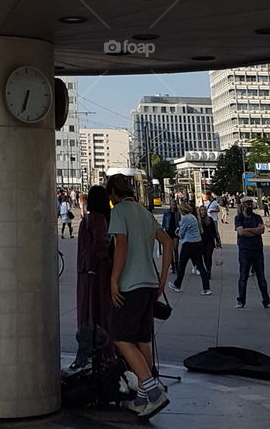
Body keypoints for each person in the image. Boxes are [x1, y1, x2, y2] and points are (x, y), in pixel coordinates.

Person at [106, 172, 173, 419]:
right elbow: (167, 242)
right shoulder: (145, 213)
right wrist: (163, 277)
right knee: (141, 338)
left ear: (113, 194)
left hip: (130, 285)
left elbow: (121, 245)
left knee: (121, 337)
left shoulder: (118, 212)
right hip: (149, 285)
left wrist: (114, 280)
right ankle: (143, 397)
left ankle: (152, 391)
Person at [76, 185, 112, 342]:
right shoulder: (99, 219)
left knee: (87, 309)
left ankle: (88, 345)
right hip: (98, 271)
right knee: (100, 310)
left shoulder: (86, 220)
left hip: (85, 269)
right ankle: (103, 350)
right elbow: (100, 244)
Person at [235, 198, 270, 310]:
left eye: (251, 203)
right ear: (243, 205)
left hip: (257, 250)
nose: (250, 206)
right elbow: (241, 232)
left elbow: (261, 230)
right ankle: (241, 301)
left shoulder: (257, 217)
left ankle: (266, 301)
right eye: (248, 204)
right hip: (245, 250)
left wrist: (248, 231)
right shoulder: (239, 218)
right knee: (243, 276)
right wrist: (254, 231)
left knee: (261, 277)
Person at [168, 203, 211, 294]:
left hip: (188, 244)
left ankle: (177, 284)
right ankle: (206, 288)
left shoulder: (185, 218)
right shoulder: (193, 217)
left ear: (182, 210)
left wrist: (178, 231)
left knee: (182, 265)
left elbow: (181, 233)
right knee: (200, 265)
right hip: (198, 243)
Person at [198, 203, 220, 281]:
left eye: (204, 210)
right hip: (201, 241)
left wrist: (217, 241)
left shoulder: (210, 219)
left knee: (208, 256)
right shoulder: (198, 221)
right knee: (204, 257)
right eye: (201, 210)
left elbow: (214, 231)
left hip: (210, 241)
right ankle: (206, 270)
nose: (203, 212)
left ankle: (208, 271)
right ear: (199, 212)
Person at [161, 199, 179, 274]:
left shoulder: (178, 213)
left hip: (176, 232)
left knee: (175, 249)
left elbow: (180, 221)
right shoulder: (166, 212)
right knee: (170, 250)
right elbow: (164, 222)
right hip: (168, 231)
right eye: (172, 204)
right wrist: (163, 230)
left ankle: (177, 265)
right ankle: (173, 266)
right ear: (170, 205)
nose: (173, 206)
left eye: (174, 205)